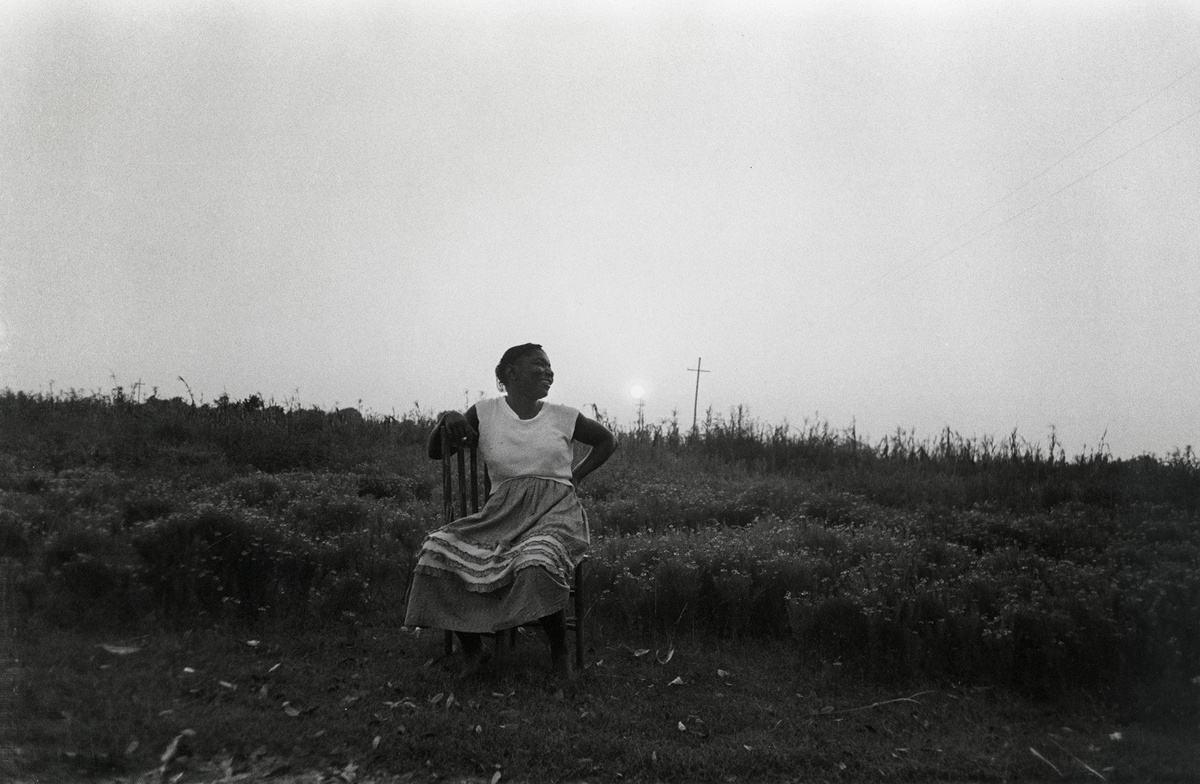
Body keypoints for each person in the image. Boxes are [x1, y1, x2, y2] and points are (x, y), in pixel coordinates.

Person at [404, 343, 618, 679]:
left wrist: (575, 475)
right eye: (538, 364)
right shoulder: (486, 412)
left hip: (555, 513)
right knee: (437, 549)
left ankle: (559, 651)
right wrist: (447, 418)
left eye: (549, 366)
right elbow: (436, 451)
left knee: (538, 556)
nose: (548, 371)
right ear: (510, 373)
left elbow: (608, 440)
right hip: (501, 515)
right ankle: (474, 651)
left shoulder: (562, 415)